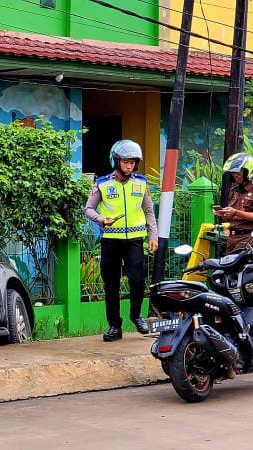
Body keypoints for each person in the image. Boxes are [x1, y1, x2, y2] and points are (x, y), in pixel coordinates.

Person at [85, 140, 158, 342]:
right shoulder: (102, 184)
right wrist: (100, 219)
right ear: (116, 161)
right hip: (110, 241)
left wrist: (153, 236)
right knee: (111, 285)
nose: (129, 166)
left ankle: (136, 315)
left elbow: (149, 211)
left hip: (135, 240)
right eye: (126, 162)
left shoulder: (141, 183)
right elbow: (88, 209)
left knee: (137, 280)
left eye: (133, 162)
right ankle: (114, 326)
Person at [214, 152, 253, 254]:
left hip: (248, 239)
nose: (235, 175)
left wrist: (236, 212)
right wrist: (223, 214)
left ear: (247, 172)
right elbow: (228, 219)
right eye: (233, 172)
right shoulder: (234, 190)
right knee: (228, 269)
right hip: (231, 239)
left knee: (247, 269)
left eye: (238, 172)